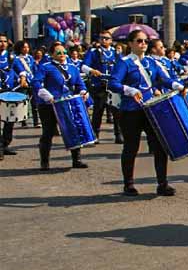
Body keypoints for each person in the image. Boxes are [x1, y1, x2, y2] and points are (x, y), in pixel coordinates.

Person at [109, 31, 185, 196]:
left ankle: (162, 184)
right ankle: (128, 184)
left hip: (151, 109)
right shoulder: (124, 62)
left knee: (159, 146)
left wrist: (178, 86)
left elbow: (165, 79)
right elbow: (113, 83)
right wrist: (128, 90)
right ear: (130, 43)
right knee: (131, 147)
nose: (143, 44)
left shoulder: (152, 62)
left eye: (146, 41)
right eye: (139, 41)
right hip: (131, 110)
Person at [33, 42, 89, 171]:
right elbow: (35, 82)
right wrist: (47, 95)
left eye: (64, 52)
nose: (62, 55)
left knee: (73, 130)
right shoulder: (46, 67)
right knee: (48, 132)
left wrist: (83, 92)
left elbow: (80, 84)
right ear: (52, 54)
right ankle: (45, 161)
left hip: (68, 103)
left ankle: (77, 159)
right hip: (49, 104)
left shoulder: (73, 67)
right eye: (58, 52)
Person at [83, 31, 122, 143]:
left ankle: (118, 134)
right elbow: (84, 66)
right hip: (99, 85)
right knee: (98, 111)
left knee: (116, 111)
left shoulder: (115, 53)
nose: (103, 40)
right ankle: (95, 134)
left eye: (106, 38)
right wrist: (92, 71)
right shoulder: (93, 52)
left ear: (111, 40)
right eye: (101, 38)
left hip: (113, 85)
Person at [0, 34, 17, 159]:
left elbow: (21, 69)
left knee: (9, 120)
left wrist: (22, 77)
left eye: (4, 41)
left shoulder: (11, 57)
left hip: (9, 92)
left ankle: (5, 144)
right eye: (0, 41)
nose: (2, 44)